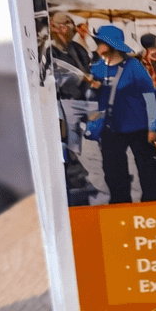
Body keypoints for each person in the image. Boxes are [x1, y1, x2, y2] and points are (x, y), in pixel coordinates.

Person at [90, 24, 156, 202]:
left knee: (148, 172)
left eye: (99, 41)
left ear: (111, 43)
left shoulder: (134, 66)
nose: (96, 44)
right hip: (111, 128)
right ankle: (121, 208)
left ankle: (151, 208)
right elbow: (92, 99)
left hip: (139, 127)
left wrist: (153, 127)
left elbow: (150, 98)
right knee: (114, 174)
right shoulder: (97, 68)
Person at [49, 11, 99, 202]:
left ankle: (76, 177)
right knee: (67, 143)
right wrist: (77, 77)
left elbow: (89, 66)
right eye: (70, 27)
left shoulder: (76, 48)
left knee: (75, 143)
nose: (74, 31)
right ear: (60, 28)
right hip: (61, 104)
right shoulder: (50, 51)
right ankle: (73, 178)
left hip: (79, 102)